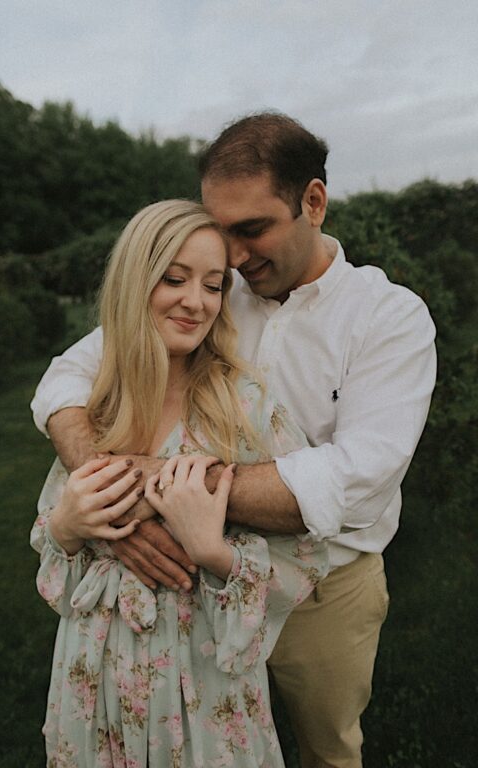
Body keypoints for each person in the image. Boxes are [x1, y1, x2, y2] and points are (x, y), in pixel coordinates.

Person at [31, 113, 437, 767]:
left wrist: (160, 487)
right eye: (224, 234)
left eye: (253, 230)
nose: (237, 257)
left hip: (324, 591)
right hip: (181, 596)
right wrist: (106, 501)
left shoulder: (387, 318)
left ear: (313, 201)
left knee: (326, 749)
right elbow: (68, 380)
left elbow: (358, 476)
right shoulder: (209, 287)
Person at [32, 198, 329, 766]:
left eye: (214, 286)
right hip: (94, 679)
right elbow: (53, 566)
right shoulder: (92, 408)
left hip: (201, 685)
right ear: (133, 281)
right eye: (174, 279)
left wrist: (213, 552)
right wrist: (67, 530)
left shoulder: (245, 405)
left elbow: (306, 558)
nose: (196, 302)